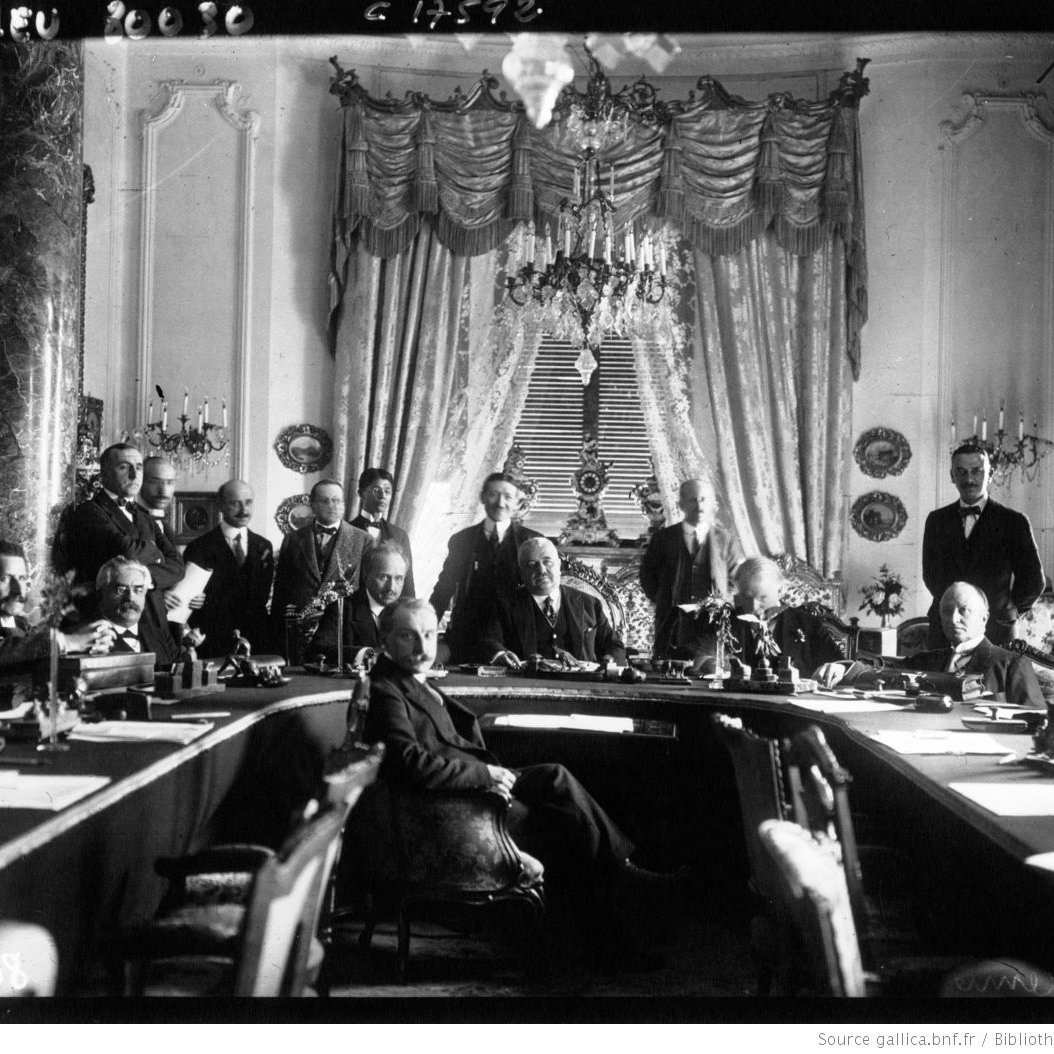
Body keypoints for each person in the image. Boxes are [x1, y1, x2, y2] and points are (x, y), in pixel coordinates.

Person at [365, 597, 680, 970]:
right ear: (384, 639)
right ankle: (609, 937)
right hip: (456, 806)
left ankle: (622, 870)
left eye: (429, 635)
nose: (422, 647)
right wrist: (486, 775)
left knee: (556, 776)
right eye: (407, 636)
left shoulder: (408, 680)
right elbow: (408, 764)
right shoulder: (386, 690)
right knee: (571, 827)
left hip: (472, 788)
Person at [817, 582, 1045, 708]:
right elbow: (885, 665)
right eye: (946, 611)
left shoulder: (1012, 663)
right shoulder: (929, 660)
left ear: (984, 618)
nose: (953, 619)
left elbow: (1037, 722)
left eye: (963, 610)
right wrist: (844, 667)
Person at [922, 443, 1044, 648]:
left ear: (990, 474)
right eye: (961, 472)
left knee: (995, 680)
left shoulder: (1013, 521)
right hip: (945, 629)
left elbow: (1033, 581)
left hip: (998, 629)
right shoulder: (936, 520)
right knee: (942, 679)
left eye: (976, 471)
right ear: (952, 476)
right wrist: (954, 610)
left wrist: (1005, 611)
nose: (969, 479)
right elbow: (931, 576)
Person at [65, 443, 184, 648]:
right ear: (104, 475)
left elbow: (178, 566)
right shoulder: (90, 512)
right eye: (124, 467)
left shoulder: (144, 517)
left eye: (138, 467)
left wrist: (145, 579)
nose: (134, 474)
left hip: (154, 624)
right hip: (111, 625)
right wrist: (157, 554)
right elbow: (125, 548)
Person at [429, 472, 542, 663]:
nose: (500, 503)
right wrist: (425, 628)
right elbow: (444, 588)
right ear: (482, 497)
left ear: (516, 502)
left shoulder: (531, 541)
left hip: (516, 640)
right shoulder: (462, 540)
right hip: (467, 637)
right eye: (493, 494)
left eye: (507, 497)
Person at [484, 537, 628, 669]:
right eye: (532, 564)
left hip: (581, 683)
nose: (541, 570)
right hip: (527, 684)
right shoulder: (504, 604)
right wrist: (500, 655)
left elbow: (614, 645)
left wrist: (609, 662)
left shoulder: (589, 603)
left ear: (558, 565)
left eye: (548, 562)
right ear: (521, 572)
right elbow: (489, 640)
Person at [639, 478, 742, 660]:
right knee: (668, 673)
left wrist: (720, 601)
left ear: (713, 505)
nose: (698, 505)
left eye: (703, 499)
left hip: (713, 626)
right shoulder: (663, 538)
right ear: (680, 505)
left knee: (711, 673)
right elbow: (648, 578)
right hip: (672, 624)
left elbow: (735, 580)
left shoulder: (726, 539)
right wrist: (666, 600)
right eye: (692, 500)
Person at [270, 479, 371, 660]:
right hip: (298, 632)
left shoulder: (363, 540)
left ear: (344, 504)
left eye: (337, 500)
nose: (332, 506)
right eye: (325, 501)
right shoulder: (293, 540)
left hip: (342, 631)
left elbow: (366, 593)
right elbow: (281, 591)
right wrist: (277, 633)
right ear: (313, 506)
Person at [183, 479, 275, 659]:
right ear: (220, 505)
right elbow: (189, 601)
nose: (244, 510)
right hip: (213, 641)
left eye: (248, 502)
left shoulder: (264, 546)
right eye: (235, 503)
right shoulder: (199, 547)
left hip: (258, 639)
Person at [0, 541, 113, 667]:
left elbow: (30, 649)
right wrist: (68, 642)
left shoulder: (22, 625)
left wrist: (90, 639)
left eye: (21, 578)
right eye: (4, 579)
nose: (18, 589)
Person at [728, 556, 844, 676]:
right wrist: (708, 662)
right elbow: (709, 656)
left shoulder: (808, 624)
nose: (754, 607)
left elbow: (839, 663)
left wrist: (838, 668)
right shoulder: (725, 622)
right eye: (746, 597)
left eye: (763, 598)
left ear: (781, 590)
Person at [93, 556, 180, 665]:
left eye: (138, 590)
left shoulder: (161, 637)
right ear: (101, 595)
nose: (130, 598)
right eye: (121, 590)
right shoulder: (88, 639)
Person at [349, 468, 415, 598]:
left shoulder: (400, 535)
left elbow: (407, 582)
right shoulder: (346, 531)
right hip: (354, 608)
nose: (383, 496)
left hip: (390, 609)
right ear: (361, 493)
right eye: (376, 490)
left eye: (387, 491)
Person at [344, 541, 408, 652]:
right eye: (383, 577)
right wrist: (367, 655)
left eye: (398, 578)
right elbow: (320, 648)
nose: (391, 587)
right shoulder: (343, 610)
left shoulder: (409, 614)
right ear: (365, 575)